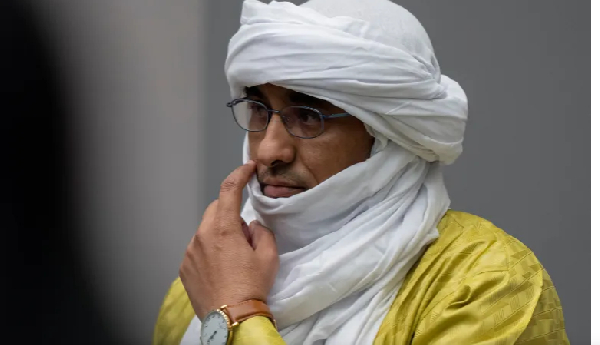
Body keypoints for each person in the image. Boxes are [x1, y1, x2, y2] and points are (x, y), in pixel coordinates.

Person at [153, 0, 569, 344]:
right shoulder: (204, 278)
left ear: (387, 136)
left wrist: (238, 313)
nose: (269, 150)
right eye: (259, 108)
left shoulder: (483, 283)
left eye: (308, 114)